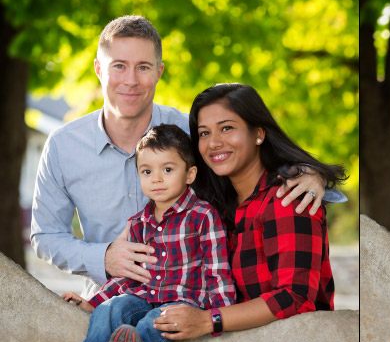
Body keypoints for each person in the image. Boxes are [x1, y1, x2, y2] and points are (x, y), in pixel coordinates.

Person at [31, 15, 330, 298]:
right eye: (119, 66)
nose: (131, 80)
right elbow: (45, 237)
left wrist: (307, 171)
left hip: (192, 302)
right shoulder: (63, 146)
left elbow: (249, 160)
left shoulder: (192, 133)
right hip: (107, 302)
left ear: (159, 71)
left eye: (144, 67)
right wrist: (103, 257)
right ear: (99, 69)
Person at [44, 124, 236, 342]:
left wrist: (219, 315)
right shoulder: (137, 223)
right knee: (111, 309)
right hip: (142, 297)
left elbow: (217, 270)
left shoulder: (203, 216)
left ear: (190, 174)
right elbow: (124, 276)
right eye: (147, 172)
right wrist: (92, 303)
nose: (156, 179)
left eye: (167, 170)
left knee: (158, 319)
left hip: (182, 301)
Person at [150, 83, 346, 339]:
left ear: (259, 134)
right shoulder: (211, 207)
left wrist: (208, 320)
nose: (213, 143)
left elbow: (294, 297)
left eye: (227, 128)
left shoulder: (287, 199)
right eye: (204, 133)